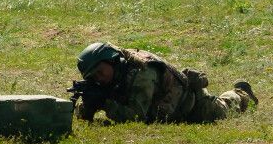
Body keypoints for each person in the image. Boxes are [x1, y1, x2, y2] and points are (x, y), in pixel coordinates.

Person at [71, 40, 256, 125]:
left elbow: (136, 117)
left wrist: (105, 103)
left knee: (227, 107)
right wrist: (89, 103)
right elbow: (83, 116)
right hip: (170, 110)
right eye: (93, 77)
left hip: (194, 107)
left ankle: (240, 92)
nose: (99, 79)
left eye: (101, 72)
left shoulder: (142, 73)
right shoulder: (113, 77)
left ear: (112, 61)